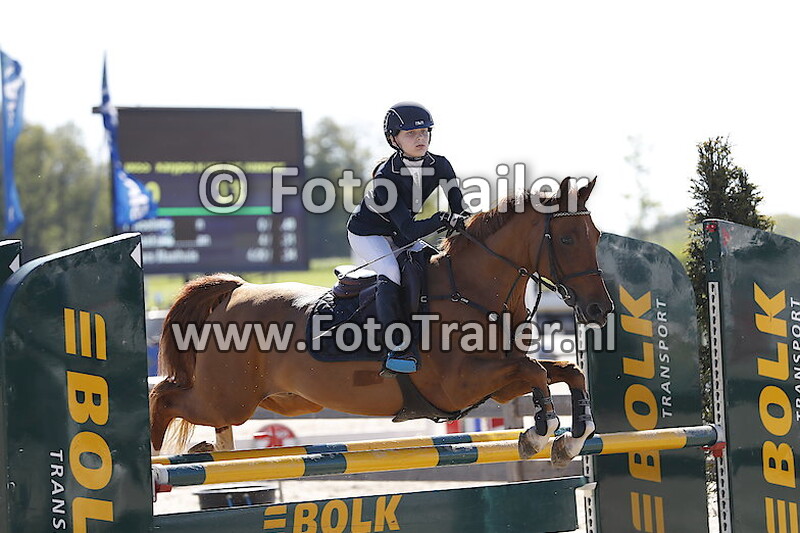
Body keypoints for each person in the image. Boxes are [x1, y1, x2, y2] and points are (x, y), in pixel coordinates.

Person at [347, 102, 468, 375]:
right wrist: (441, 219)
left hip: (398, 232)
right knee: (391, 271)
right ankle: (397, 348)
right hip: (368, 233)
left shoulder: (441, 165)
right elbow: (408, 231)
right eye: (411, 134)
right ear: (394, 139)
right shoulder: (385, 177)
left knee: (429, 263)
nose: (420, 138)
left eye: (424, 132)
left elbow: (460, 210)